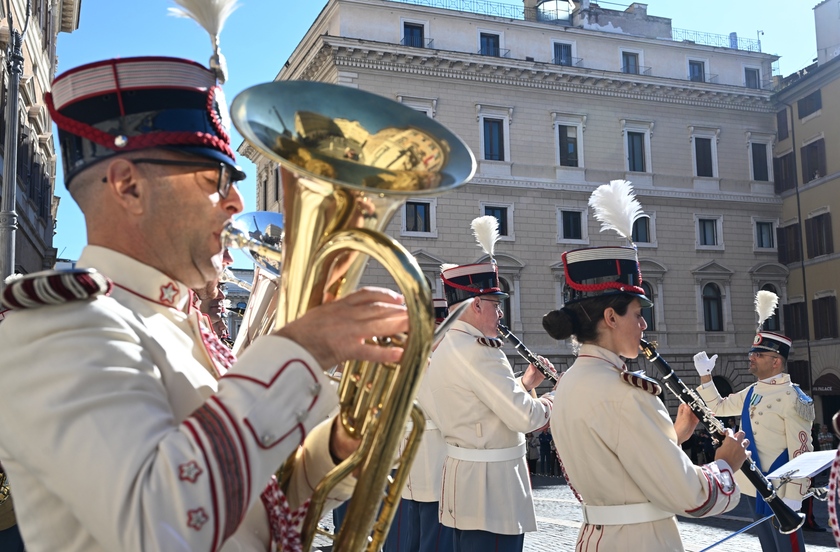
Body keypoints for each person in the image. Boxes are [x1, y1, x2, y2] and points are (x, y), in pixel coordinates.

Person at [0, 53, 410, 551]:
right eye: (215, 180)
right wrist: (300, 351)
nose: (237, 204)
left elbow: (254, 503)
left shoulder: (182, 321)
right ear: (128, 187)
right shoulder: (61, 327)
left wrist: (336, 449)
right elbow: (158, 527)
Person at [544, 244, 748, 552]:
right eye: (638, 314)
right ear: (611, 317)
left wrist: (673, 437)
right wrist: (724, 465)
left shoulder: (569, 382)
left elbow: (616, 460)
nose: (644, 325)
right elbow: (688, 495)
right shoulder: (626, 393)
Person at [423, 258, 554, 552]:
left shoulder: (448, 345)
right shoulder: (481, 352)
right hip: (492, 493)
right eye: (495, 304)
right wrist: (555, 400)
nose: (500, 312)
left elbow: (478, 402)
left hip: (465, 482)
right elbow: (523, 417)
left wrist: (523, 385)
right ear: (476, 305)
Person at [694, 329, 815, 551]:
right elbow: (718, 407)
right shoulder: (752, 391)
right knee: (768, 544)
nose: (751, 358)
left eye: (758, 355)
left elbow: (802, 451)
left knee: (788, 546)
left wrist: (795, 495)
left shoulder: (792, 397)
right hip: (753, 482)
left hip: (781, 487)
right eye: (752, 353)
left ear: (776, 362)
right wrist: (706, 377)